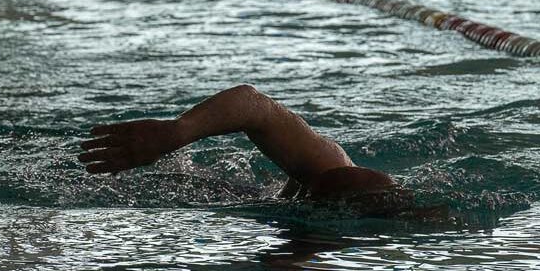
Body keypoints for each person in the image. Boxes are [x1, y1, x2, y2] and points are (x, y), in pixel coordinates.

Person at [78, 84, 418, 216]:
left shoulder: (328, 245)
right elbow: (254, 106)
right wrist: (176, 132)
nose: (314, 188)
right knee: (175, 179)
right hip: (256, 198)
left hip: (259, 203)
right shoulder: (328, 166)